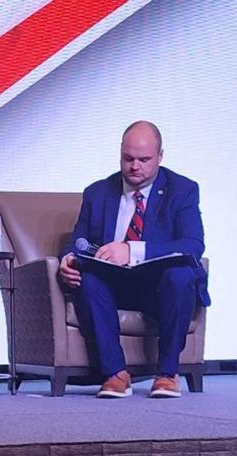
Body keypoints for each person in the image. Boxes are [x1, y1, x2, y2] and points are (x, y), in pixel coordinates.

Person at [58, 121, 210, 399]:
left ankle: (167, 374)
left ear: (160, 157)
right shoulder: (98, 192)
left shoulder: (183, 190)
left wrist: (132, 249)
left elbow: (193, 245)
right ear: (120, 154)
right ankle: (115, 373)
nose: (134, 166)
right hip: (115, 286)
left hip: (159, 287)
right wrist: (67, 259)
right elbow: (76, 241)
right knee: (89, 279)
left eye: (144, 159)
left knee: (181, 275)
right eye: (128, 158)